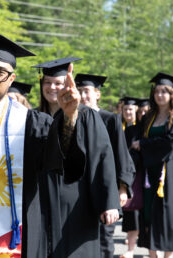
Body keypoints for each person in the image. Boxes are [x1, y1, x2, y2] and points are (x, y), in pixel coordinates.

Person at [0, 35, 81, 257]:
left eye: (0, 72)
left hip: (6, 235)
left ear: (11, 79)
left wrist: (69, 117)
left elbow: (61, 159)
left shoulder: (31, 123)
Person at [33, 60, 121, 258]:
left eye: (58, 82)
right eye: (47, 82)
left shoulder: (87, 115)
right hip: (42, 200)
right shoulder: (33, 117)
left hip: (77, 200)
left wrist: (109, 201)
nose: (52, 87)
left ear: (69, 85)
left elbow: (102, 156)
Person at [75, 73, 135, 258]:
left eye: (87, 91)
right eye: (79, 92)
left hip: (104, 188)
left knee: (104, 239)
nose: (83, 96)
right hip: (78, 189)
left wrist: (123, 187)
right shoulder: (72, 118)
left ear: (97, 94)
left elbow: (121, 154)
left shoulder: (110, 119)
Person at [131, 72, 173, 258]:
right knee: (149, 211)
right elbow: (137, 139)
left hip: (170, 170)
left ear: (171, 94)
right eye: (157, 91)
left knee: (168, 213)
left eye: (164, 91)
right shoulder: (148, 117)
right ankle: (153, 255)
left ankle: (166, 256)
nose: (160, 95)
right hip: (150, 171)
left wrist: (145, 145)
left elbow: (171, 142)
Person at [121, 98, 150, 258]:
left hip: (150, 176)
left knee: (150, 214)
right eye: (142, 112)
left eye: (147, 112)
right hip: (135, 176)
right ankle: (131, 250)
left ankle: (154, 250)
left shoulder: (150, 130)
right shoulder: (129, 130)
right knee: (132, 214)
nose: (144, 114)